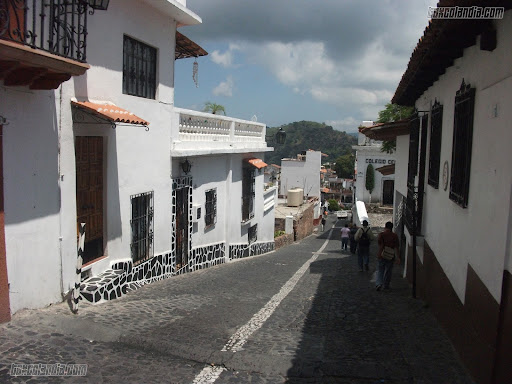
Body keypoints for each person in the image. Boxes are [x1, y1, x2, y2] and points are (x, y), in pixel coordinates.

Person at [376, 221, 401, 291]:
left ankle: (379, 283)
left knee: (380, 270)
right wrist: (398, 257)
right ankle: (386, 285)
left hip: (382, 254)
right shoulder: (394, 236)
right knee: (388, 271)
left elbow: (379, 243)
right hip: (390, 255)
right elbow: (397, 247)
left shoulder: (381, 234)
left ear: (385, 227)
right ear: (392, 228)